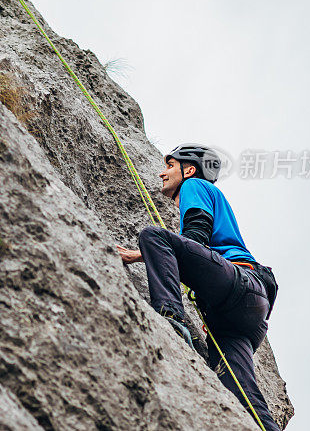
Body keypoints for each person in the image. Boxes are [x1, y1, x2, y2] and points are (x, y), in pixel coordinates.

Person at [117, 144, 281, 431]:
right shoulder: (208, 192)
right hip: (247, 314)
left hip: (238, 286)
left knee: (153, 235)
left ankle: (171, 317)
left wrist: (143, 250)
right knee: (240, 393)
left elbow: (195, 235)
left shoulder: (193, 185)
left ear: (189, 169)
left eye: (169, 165)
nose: (162, 172)